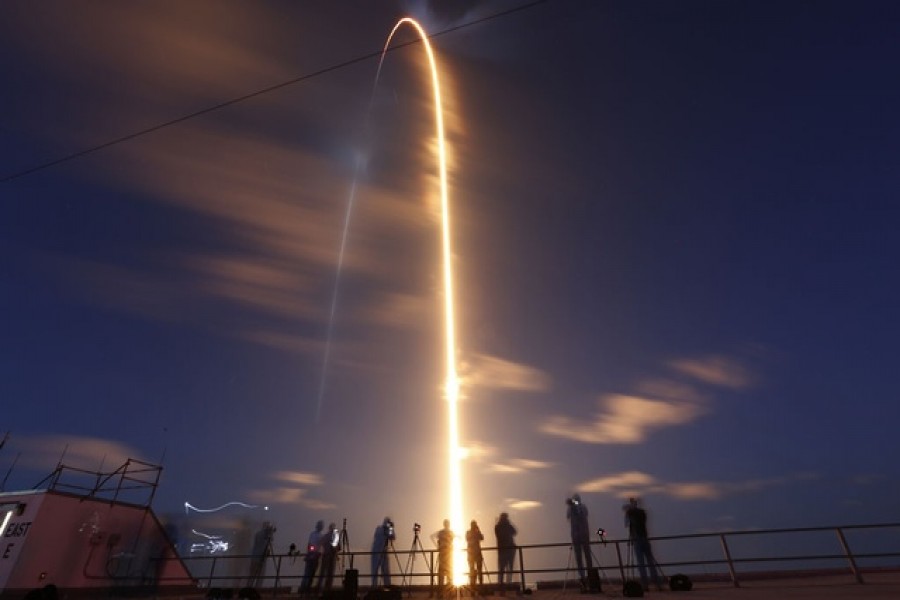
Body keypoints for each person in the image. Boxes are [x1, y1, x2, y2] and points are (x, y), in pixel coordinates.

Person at [624, 498, 663, 592]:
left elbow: (626, 524)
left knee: (641, 563)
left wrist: (627, 513)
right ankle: (657, 584)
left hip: (637, 539)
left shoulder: (630, 513)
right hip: (644, 537)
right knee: (650, 562)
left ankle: (645, 585)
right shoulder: (642, 512)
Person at [566, 493, 593, 589]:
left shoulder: (583, 507)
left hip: (584, 535)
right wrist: (571, 507)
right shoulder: (570, 509)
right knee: (578, 557)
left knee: (587, 556)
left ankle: (591, 576)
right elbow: (568, 517)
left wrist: (574, 507)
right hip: (575, 536)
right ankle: (582, 577)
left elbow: (582, 515)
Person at [494, 513, 517, 595]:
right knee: (502, 569)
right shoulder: (498, 527)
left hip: (508, 550)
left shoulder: (502, 526)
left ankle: (507, 584)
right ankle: (502, 586)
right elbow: (501, 536)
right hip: (504, 550)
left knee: (508, 568)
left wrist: (509, 524)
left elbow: (514, 532)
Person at [431, 519, 455, 597]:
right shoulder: (451, 533)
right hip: (449, 554)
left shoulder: (440, 533)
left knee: (441, 574)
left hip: (442, 554)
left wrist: (437, 546)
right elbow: (457, 538)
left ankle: (440, 593)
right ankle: (450, 592)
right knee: (449, 573)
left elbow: (432, 536)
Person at [371, 517, 396, 587]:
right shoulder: (379, 529)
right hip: (376, 552)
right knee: (375, 571)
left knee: (386, 571)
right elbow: (382, 536)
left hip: (384, 552)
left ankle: (387, 586)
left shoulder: (388, 530)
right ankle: (374, 587)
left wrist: (391, 529)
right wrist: (389, 529)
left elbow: (392, 537)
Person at [301, 520, 324, 596]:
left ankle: (304, 590)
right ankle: (305, 590)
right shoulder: (317, 535)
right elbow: (312, 545)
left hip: (314, 555)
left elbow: (310, 545)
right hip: (314, 556)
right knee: (309, 574)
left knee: (309, 574)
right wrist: (312, 554)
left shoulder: (314, 534)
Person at [317, 522, 341, 594]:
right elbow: (338, 547)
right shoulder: (333, 536)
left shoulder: (326, 536)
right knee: (329, 574)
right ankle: (326, 589)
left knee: (324, 573)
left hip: (328, 556)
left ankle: (320, 589)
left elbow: (321, 543)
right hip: (330, 556)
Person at [466, 520, 484, 591]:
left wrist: (478, 531)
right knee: (474, 570)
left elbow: (482, 538)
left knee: (476, 570)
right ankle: (474, 585)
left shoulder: (472, 532)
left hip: (473, 554)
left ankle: (476, 585)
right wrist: (477, 531)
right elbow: (481, 538)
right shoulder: (469, 533)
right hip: (473, 554)